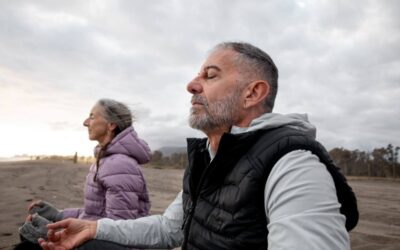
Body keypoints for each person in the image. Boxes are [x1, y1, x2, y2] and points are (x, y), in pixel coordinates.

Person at [39, 42, 358, 250]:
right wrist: (94, 228)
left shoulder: (293, 164)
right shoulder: (208, 156)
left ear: (252, 93)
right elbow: (169, 229)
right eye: (197, 75)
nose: (191, 85)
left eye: (210, 75)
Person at [17, 99, 151, 249]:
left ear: (111, 125)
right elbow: (94, 213)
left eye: (92, 116)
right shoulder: (106, 160)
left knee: (29, 242)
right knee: (29, 229)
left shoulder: (119, 164)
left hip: (109, 242)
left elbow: (118, 229)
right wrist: (57, 215)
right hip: (98, 235)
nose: (86, 122)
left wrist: (58, 235)